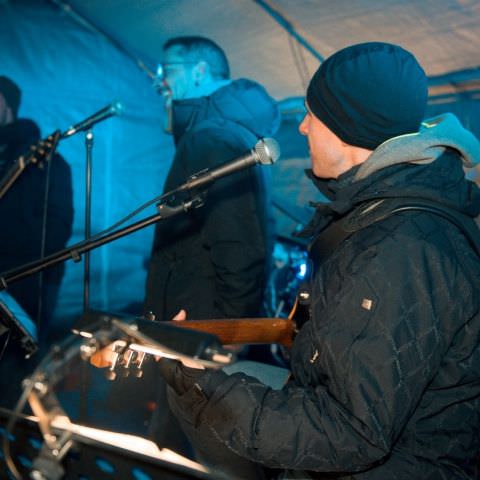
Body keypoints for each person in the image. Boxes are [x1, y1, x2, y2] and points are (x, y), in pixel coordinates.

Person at [153, 42, 480, 479]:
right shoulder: (382, 215)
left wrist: (203, 385)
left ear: (349, 125)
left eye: (313, 114)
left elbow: (348, 432)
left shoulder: (400, 245)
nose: (303, 128)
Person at [144, 36, 280, 322]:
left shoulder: (213, 138)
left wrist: (228, 330)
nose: (159, 82)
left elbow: (238, 244)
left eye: (167, 70)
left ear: (199, 71)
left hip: (196, 322)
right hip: (196, 314)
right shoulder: (225, 132)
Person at [0, 76, 73, 406]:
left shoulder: (47, 162)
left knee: (14, 376)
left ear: (7, 104)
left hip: (26, 285)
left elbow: (56, 229)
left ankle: (15, 447)